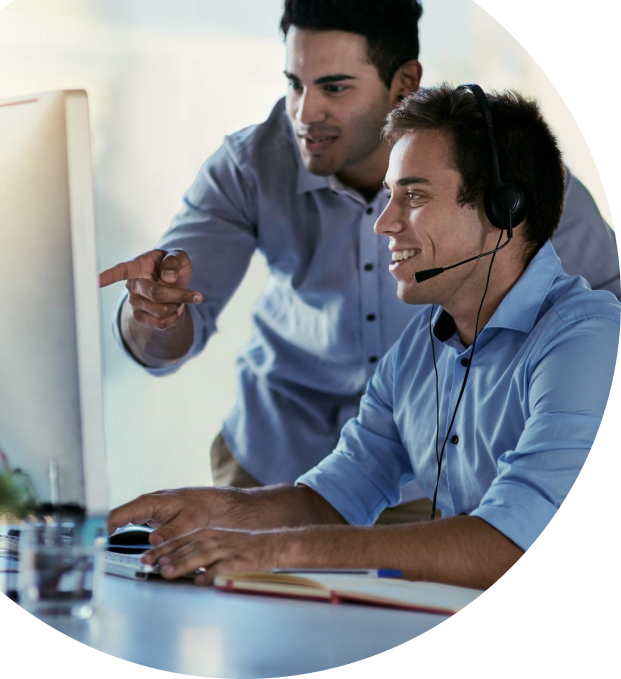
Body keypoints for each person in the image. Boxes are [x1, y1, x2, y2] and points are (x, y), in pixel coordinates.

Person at [99, 0, 620, 522]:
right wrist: (154, 314)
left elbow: (606, 304)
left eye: (334, 87)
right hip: (273, 464)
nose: (305, 112)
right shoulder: (248, 164)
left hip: (427, 478)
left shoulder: (500, 171)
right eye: (294, 84)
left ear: (405, 83)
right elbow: (166, 334)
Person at [106, 85, 620, 591]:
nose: (384, 223)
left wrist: (279, 550)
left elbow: (514, 544)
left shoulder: (588, 342)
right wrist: (212, 510)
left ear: (503, 210)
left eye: (413, 196)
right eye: (389, 196)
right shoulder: (419, 349)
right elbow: (333, 499)